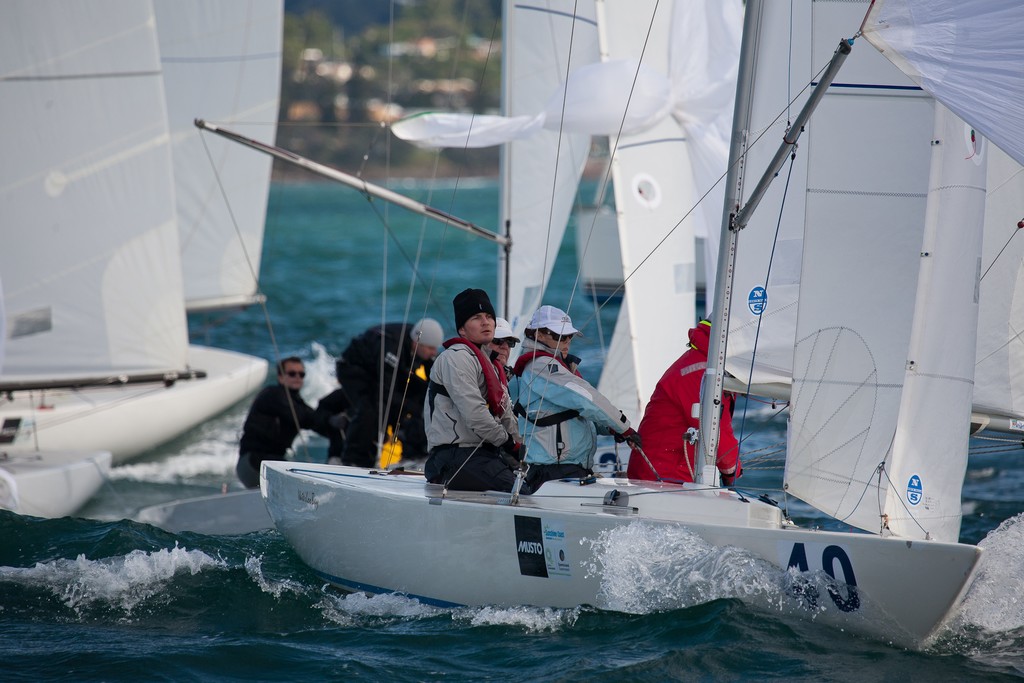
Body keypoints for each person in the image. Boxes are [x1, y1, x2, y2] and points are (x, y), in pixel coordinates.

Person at [511, 305, 640, 490]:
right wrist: (624, 427)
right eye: (559, 336)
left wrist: (612, 429)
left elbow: (574, 414)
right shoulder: (541, 366)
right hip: (553, 472)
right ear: (538, 335)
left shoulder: (554, 367)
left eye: (569, 335)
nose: (566, 341)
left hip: (566, 470)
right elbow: (585, 398)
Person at [423, 288, 528, 494]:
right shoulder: (456, 358)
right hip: (455, 457)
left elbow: (506, 414)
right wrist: (508, 443)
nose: (486, 322)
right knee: (524, 493)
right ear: (462, 329)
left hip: (483, 455)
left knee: (532, 484)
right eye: (476, 317)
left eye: (489, 316)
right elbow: (475, 414)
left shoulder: (491, 364)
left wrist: (525, 449)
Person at [626, 319, 741, 485]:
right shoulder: (703, 373)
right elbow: (715, 431)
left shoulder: (705, 365)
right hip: (661, 478)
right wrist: (732, 471)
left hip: (666, 476)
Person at [320, 318, 443, 467]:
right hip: (353, 370)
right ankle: (353, 459)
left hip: (385, 371)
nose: (434, 352)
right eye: (430, 348)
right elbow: (386, 392)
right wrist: (415, 409)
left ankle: (417, 451)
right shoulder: (392, 347)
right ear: (417, 344)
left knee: (423, 392)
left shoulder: (421, 338)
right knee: (369, 408)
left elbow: (431, 375)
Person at [236, 356, 329, 488]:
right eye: (292, 373)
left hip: (270, 462)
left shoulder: (297, 402)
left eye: (301, 374)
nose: (297, 377)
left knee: (289, 470)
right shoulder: (273, 394)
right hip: (252, 462)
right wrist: (329, 419)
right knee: (297, 479)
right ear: (280, 377)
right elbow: (304, 417)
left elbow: (315, 420)